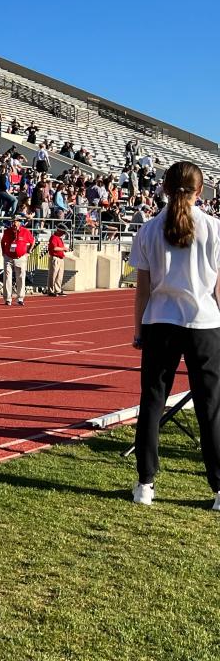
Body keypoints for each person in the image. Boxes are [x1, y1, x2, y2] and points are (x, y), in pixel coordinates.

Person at [129, 161, 220, 511]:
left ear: (164, 189)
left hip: (160, 323)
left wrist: (138, 330)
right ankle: (219, 490)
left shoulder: (149, 230)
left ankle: (145, 485)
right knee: (211, 408)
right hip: (205, 324)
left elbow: (142, 290)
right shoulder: (214, 228)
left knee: (152, 402)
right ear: (201, 191)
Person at [0, 215, 35, 306]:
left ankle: (20, 298)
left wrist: (29, 251)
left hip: (21, 257)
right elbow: (3, 242)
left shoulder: (25, 231)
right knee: (7, 277)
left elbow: (32, 241)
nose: (13, 223)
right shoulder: (7, 231)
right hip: (8, 257)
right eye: (12, 222)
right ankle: (8, 298)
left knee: (20, 277)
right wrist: (3, 252)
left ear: (19, 222)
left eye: (15, 222)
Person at [46, 225, 68, 297]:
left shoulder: (59, 238)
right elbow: (54, 248)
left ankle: (57, 290)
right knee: (53, 275)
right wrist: (64, 249)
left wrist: (63, 249)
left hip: (60, 258)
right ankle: (51, 290)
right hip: (55, 258)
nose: (63, 234)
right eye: (62, 232)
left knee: (59, 276)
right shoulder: (54, 237)